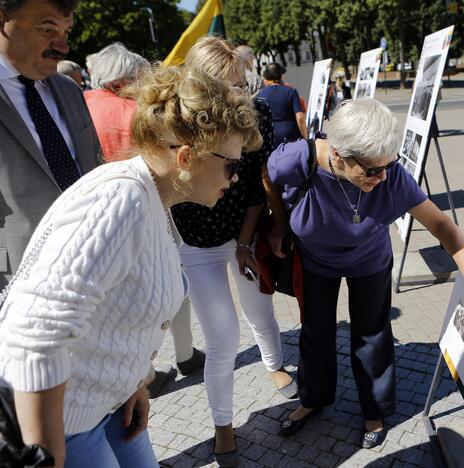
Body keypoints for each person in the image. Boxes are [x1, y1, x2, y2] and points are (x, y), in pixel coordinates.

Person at [0, 64, 262, 468]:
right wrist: (46, 456)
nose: (236, 176)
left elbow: (119, 306)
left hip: (109, 404)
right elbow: (35, 331)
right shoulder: (120, 201)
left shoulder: (154, 200)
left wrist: (136, 378)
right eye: (231, 163)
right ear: (186, 156)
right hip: (65, 420)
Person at [267, 98, 464, 448]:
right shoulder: (299, 159)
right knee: (316, 332)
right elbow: (268, 177)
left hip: (369, 260)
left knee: (372, 337)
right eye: (371, 170)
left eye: (389, 164)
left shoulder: (390, 177)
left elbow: (441, 223)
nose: (382, 176)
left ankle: (374, 410)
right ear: (338, 155)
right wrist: (279, 224)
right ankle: (312, 399)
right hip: (315, 261)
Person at [171, 36, 296, 467]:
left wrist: (245, 242)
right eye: (229, 87)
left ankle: (274, 362)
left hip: (243, 231)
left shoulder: (256, 114)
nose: (239, 95)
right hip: (196, 244)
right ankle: (223, 425)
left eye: (242, 84)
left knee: (259, 308)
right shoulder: (177, 122)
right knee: (223, 336)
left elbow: (257, 188)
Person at [84, 42, 206, 396]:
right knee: (172, 281)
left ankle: (143, 371)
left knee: (117, 295)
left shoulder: (78, 105)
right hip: (147, 208)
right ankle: (183, 356)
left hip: (93, 216)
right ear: (126, 81)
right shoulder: (135, 112)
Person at [0, 0, 101, 292]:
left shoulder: (69, 90)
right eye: (48, 29)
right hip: (16, 284)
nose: (63, 47)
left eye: (66, 32)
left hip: (90, 268)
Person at [83, 43, 148, 161]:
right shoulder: (137, 112)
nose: (145, 88)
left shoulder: (76, 104)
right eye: (142, 80)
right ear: (119, 84)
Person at [258, 62, 307, 148]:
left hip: (270, 138)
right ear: (281, 75)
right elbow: (300, 117)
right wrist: (305, 136)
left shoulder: (261, 95)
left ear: (266, 77)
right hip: (290, 137)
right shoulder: (291, 92)